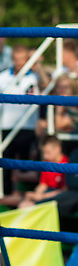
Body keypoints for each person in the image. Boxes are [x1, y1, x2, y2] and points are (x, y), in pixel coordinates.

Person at [0, 44, 40, 195]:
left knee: (26, 164)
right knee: (6, 164)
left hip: (28, 125)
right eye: (16, 60)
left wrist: (39, 65)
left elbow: (48, 85)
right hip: (7, 125)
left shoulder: (34, 76)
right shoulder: (3, 77)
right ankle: (7, 195)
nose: (19, 63)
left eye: (22, 60)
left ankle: (28, 196)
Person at [18, 136, 68, 208]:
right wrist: (36, 194)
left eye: (48, 152)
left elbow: (65, 190)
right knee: (24, 203)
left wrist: (42, 196)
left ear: (58, 149)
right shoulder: (46, 163)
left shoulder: (67, 164)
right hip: (48, 194)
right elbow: (43, 185)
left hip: (59, 197)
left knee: (27, 205)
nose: (45, 156)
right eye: (43, 152)